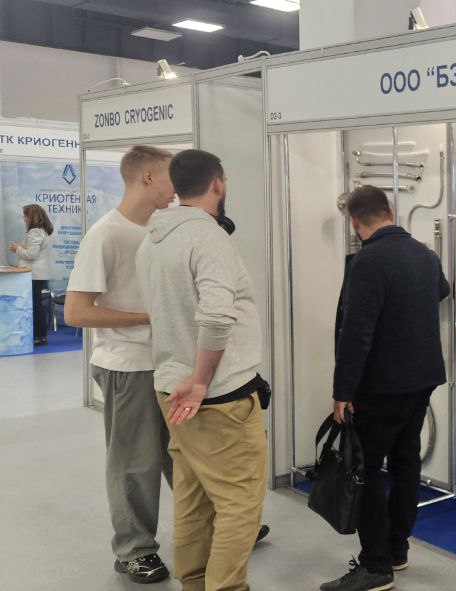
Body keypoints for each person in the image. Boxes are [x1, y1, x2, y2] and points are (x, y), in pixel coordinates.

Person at [136, 149, 267, 591]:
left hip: (171, 389)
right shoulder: (208, 238)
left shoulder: (154, 239)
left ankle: (194, 582)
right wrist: (200, 382)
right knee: (239, 502)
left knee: (193, 496)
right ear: (218, 184)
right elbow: (215, 318)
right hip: (215, 396)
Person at [321, 186, 451, 591]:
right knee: (406, 462)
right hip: (422, 379)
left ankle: (375, 565)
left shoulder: (367, 261)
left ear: (354, 222)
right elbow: (442, 291)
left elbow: (356, 332)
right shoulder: (425, 255)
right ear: (390, 211)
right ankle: (396, 549)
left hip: (380, 386)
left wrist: (343, 390)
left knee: (366, 469)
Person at [64, 146, 177, 583]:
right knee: (135, 462)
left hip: (171, 363)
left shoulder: (164, 228)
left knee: (185, 454)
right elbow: (76, 312)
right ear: (148, 177)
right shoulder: (105, 235)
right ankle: (135, 550)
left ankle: (211, 524)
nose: (176, 187)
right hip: (127, 366)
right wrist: (148, 318)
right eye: (171, 176)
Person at [9, 204, 54, 345]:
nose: (24, 218)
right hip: (37, 275)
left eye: (25, 215)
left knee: (34, 306)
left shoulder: (35, 232)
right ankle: (40, 336)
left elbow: (31, 255)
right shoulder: (42, 231)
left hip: (33, 275)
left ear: (31, 217)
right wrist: (20, 247)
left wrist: (17, 248)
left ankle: (37, 336)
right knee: (36, 305)